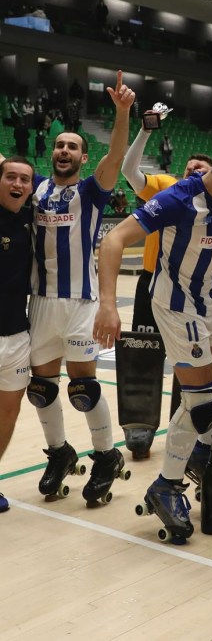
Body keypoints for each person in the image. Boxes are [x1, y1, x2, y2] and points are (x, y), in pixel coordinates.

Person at [94, 137, 212, 543]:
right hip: (177, 307)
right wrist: (108, 305)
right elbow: (113, 240)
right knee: (201, 404)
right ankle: (166, 484)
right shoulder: (178, 199)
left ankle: (199, 445)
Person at [23, 71, 135, 506]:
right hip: (41, 301)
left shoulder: (91, 191)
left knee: (82, 386)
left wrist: (122, 112)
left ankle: (106, 455)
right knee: (41, 388)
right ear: (52, 152)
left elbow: (117, 154)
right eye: (59, 145)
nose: (64, 150)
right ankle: (59, 452)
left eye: (72, 146)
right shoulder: (33, 188)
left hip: (81, 302)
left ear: (84, 158)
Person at [120, 117, 212, 459]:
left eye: (200, 168)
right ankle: (140, 423)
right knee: (143, 352)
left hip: (192, 288)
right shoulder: (167, 188)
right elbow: (129, 171)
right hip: (151, 281)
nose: (193, 170)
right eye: (189, 167)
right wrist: (145, 131)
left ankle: (184, 424)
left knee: (189, 358)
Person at [0, 156, 34, 512]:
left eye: (25, 179)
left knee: (8, 413)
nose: (18, 184)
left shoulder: (30, 217)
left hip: (17, 337)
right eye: (10, 177)